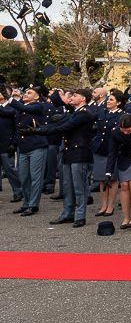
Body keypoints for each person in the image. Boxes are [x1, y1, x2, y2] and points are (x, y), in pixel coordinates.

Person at [30, 88, 96, 227]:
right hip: (69, 152)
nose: (72, 97)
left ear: (83, 99)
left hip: (80, 153)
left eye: (75, 95)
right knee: (67, 186)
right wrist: (39, 129)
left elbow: (65, 127)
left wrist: (39, 131)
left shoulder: (85, 113)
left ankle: (80, 216)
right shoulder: (75, 112)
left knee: (79, 187)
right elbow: (58, 123)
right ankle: (68, 213)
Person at [2, 86, 51, 216]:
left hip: (36, 145)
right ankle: (26, 203)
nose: (26, 94)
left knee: (36, 177)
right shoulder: (20, 107)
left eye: (29, 93)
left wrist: (8, 97)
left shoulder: (38, 106)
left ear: (36, 96)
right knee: (23, 177)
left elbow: (24, 108)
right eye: (25, 92)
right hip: (23, 147)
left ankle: (33, 205)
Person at [92, 89, 125, 217]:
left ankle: (111, 205)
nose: (108, 102)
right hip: (101, 148)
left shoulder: (122, 115)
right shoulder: (102, 112)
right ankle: (103, 205)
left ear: (119, 102)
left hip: (114, 150)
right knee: (101, 178)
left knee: (112, 179)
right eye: (108, 99)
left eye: (111, 100)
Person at [0, 89, 23, 204]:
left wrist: (14, 143)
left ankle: (18, 191)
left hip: (6, 144)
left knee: (10, 170)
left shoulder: (11, 107)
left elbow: (17, 127)